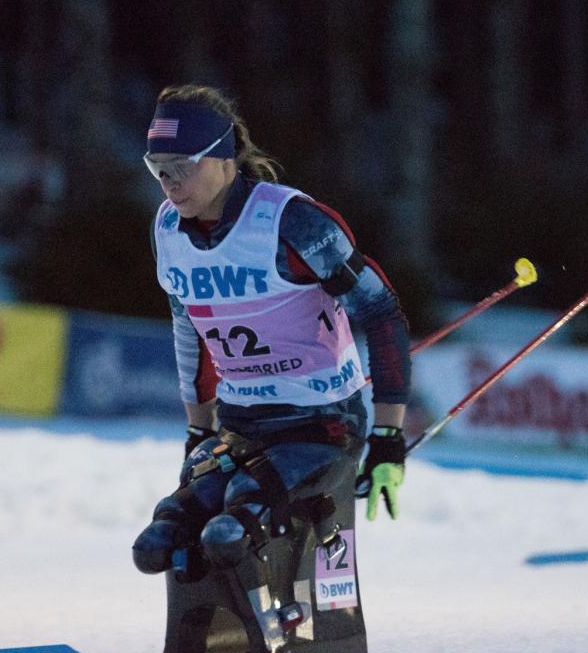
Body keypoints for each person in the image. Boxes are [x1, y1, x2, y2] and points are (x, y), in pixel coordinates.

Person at [131, 84, 411, 650]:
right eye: (157, 167)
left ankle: (301, 635)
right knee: (161, 538)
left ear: (223, 157)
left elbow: (382, 315)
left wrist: (386, 437)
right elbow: (190, 331)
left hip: (323, 420)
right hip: (243, 424)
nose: (169, 182)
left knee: (236, 528)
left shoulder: (293, 223)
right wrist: (197, 428)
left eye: (181, 166)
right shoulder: (168, 230)